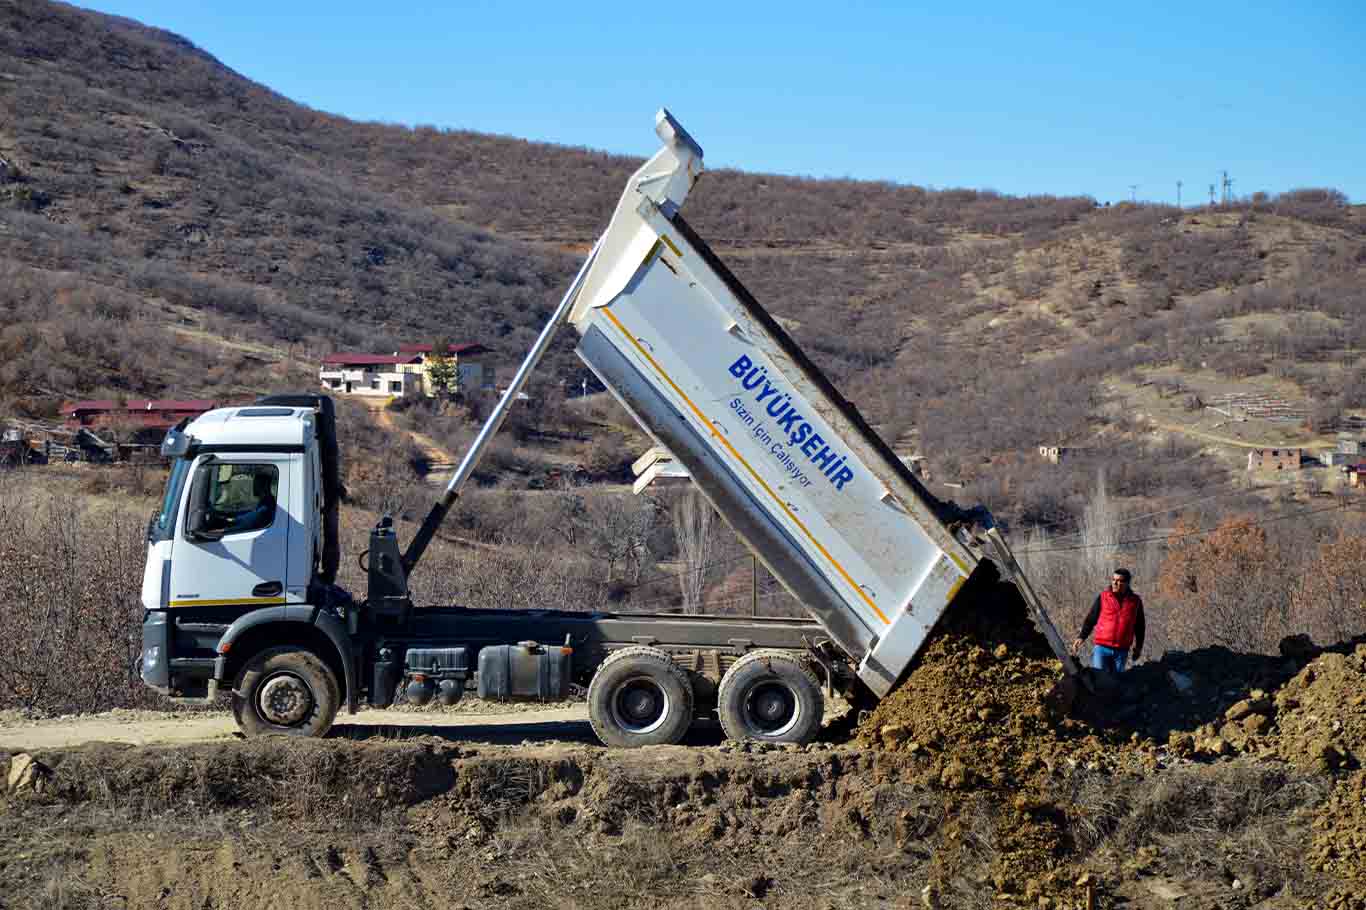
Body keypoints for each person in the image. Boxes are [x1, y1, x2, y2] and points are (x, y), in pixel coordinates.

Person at [1071, 568, 1145, 673]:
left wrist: (1138, 647)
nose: (1115, 583)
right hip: (1101, 648)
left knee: (1116, 684)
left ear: (1127, 583)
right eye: (1113, 579)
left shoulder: (1135, 601)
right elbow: (1091, 619)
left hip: (1121, 651)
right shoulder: (1103, 597)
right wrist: (1081, 636)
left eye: (1120, 581)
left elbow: (1140, 626)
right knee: (1099, 681)